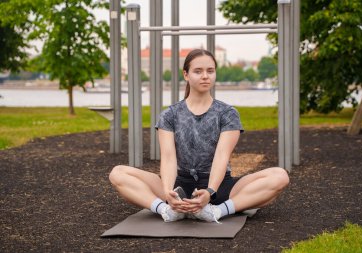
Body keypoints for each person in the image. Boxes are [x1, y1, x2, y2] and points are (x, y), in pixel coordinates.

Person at [109, 49, 289, 223]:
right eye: (198, 71)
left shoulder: (227, 113)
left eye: (210, 71)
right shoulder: (169, 114)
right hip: (178, 185)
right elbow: (169, 157)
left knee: (280, 176)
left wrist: (210, 191)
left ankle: (215, 211)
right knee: (118, 173)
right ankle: (167, 211)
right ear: (186, 75)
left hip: (219, 187)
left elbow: (221, 156)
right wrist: (167, 193)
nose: (205, 76)